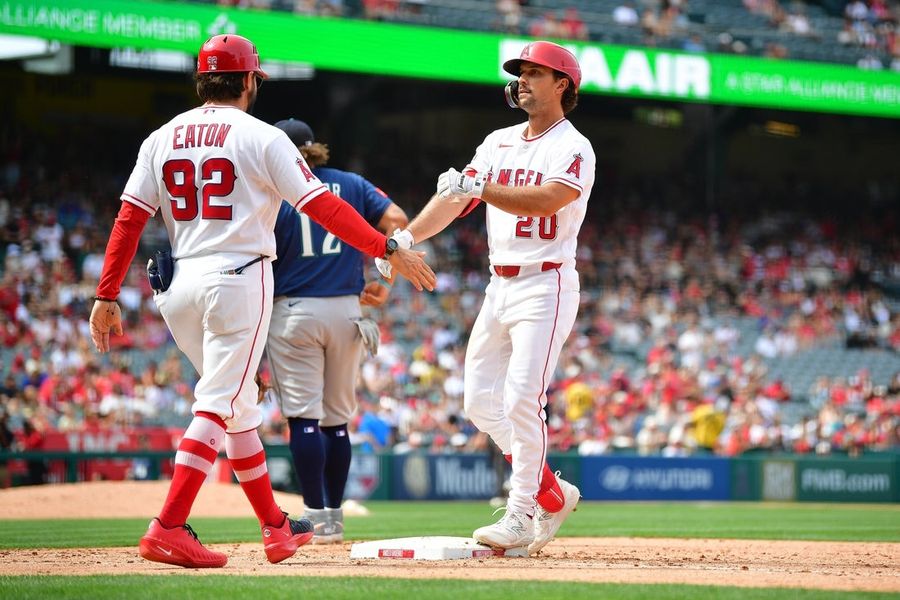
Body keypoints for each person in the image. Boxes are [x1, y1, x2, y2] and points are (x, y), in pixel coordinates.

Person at [88, 34, 435, 569]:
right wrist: (386, 246)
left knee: (239, 410)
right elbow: (322, 207)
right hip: (237, 280)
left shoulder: (162, 137)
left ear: (202, 80)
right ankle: (168, 526)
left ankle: (275, 527)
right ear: (249, 81)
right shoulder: (262, 137)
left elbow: (130, 219)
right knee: (220, 403)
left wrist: (106, 293)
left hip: (178, 286)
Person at [388, 41, 595, 555]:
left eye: (533, 72)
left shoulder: (574, 145)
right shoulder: (498, 140)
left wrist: (478, 187)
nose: (521, 79)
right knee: (479, 401)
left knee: (523, 397)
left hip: (545, 282)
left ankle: (523, 512)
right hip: (498, 283)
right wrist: (407, 240)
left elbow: (549, 197)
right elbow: (453, 197)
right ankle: (551, 491)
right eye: (519, 72)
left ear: (562, 83)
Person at [266, 118, 408, 543]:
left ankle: (312, 517)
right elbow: (397, 219)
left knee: (304, 420)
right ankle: (335, 516)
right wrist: (387, 278)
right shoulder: (349, 182)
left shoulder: (272, 192)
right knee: (338, 423)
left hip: (293, 311)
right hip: (348, 311)